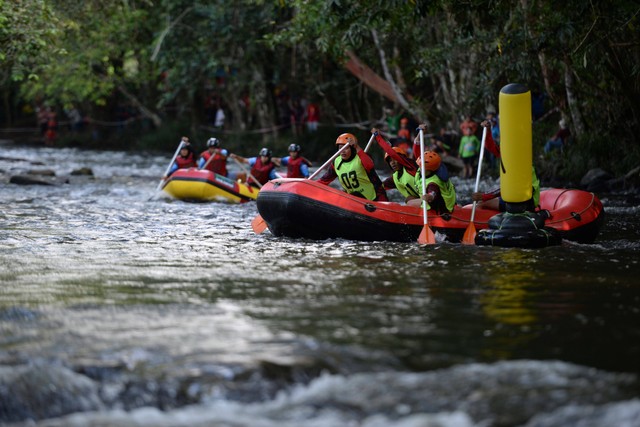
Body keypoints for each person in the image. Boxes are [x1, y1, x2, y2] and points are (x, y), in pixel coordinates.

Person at [472, 120, 540, 211]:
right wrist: (488, 130)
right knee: (482, 202)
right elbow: (490, 146)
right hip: (513, 197)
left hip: (526, 201)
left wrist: (484, 196)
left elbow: (509, 187)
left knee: (482, 203)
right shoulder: (509, 153)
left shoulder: (521, 161)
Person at [318, 133, 388, 201]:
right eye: (340, 148)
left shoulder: (361, 157)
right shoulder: (336, 163)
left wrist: (357, 146)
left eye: (346, 148)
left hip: (375, 197)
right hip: (354, 200)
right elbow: (324, 180)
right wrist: (309, 185)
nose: (343, 151)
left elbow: (370, 165)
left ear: (352, 148)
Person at [372, 128, 420, 203]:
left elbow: (416, 144)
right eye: (390, 161)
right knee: (409, 199)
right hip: (420, 201)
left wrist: (377, 136)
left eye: (394, 159)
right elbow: (379, 187)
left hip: (430, 198)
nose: (392, 162)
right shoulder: (394, 178)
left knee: (410, 202)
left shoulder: (410, 165)